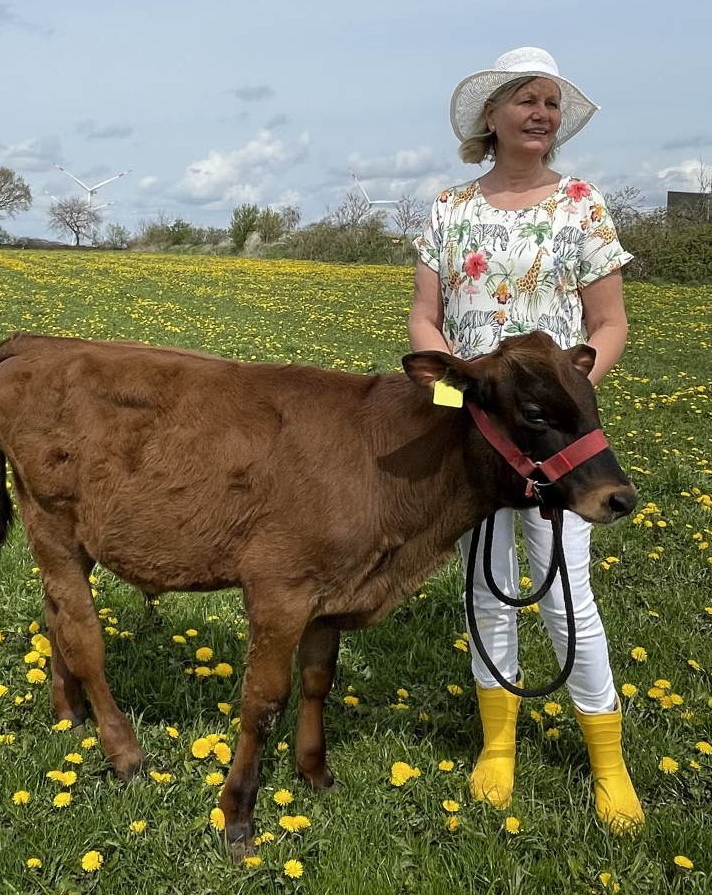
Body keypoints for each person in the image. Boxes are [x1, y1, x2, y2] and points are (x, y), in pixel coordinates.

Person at [409, 47, 644, 833]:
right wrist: (454, 392)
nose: (542, 114)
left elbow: (609, 323)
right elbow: (424, 319)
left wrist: (568, 395)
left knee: (564, 588)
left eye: (551, 103)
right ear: (492, 116)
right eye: (527, 101)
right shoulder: (448, 207)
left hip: (557, 441)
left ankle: (608, 761)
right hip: (475, 432)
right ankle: (498, 745)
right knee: (485, 586)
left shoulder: (581, 204)